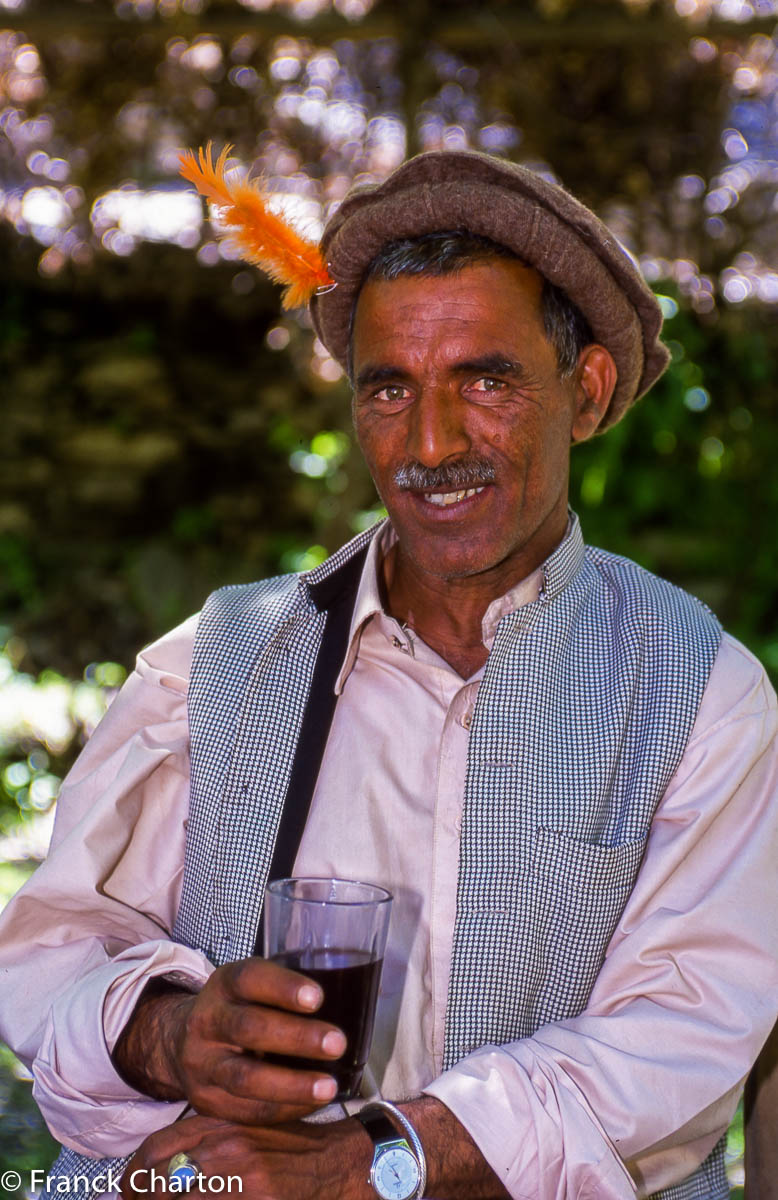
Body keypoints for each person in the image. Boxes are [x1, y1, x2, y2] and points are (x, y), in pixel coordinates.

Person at [0, 150, 776, 1200]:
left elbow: (679, 1042)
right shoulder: (216, 662)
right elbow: (52, 952)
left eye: (485, 380)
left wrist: (376, 1162)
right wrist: (170, 1035)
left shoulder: (698, 696)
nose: (430, 441)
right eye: (389, 389)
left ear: (584, 392)